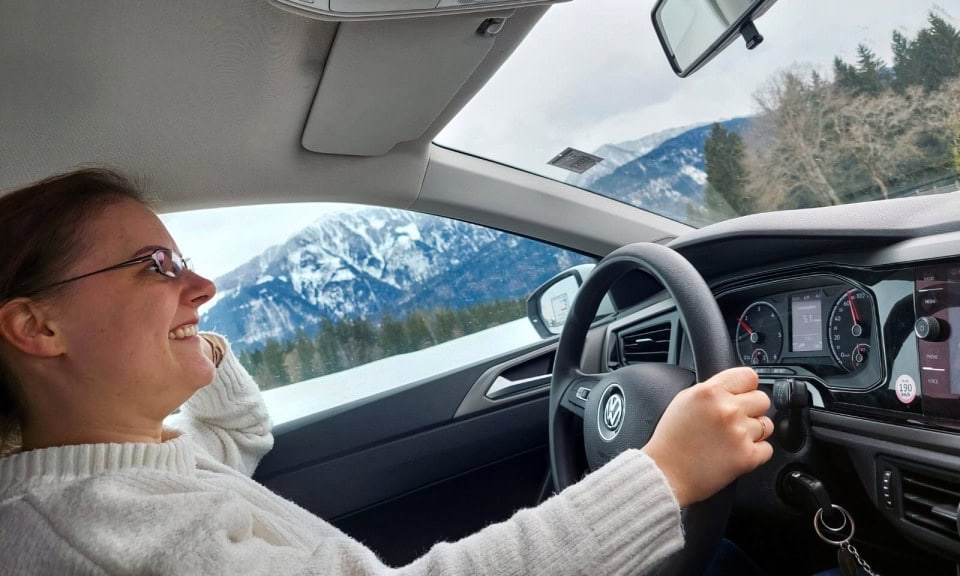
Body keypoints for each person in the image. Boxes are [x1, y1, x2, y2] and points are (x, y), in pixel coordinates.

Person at [0, 168, 774, 575]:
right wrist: (664, 475)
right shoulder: (110, 533)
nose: (202, 288)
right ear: (38, 326)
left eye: (187, 264)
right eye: (155, 266)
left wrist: (186, 338)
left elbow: (239, 432)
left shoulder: (135, 468)